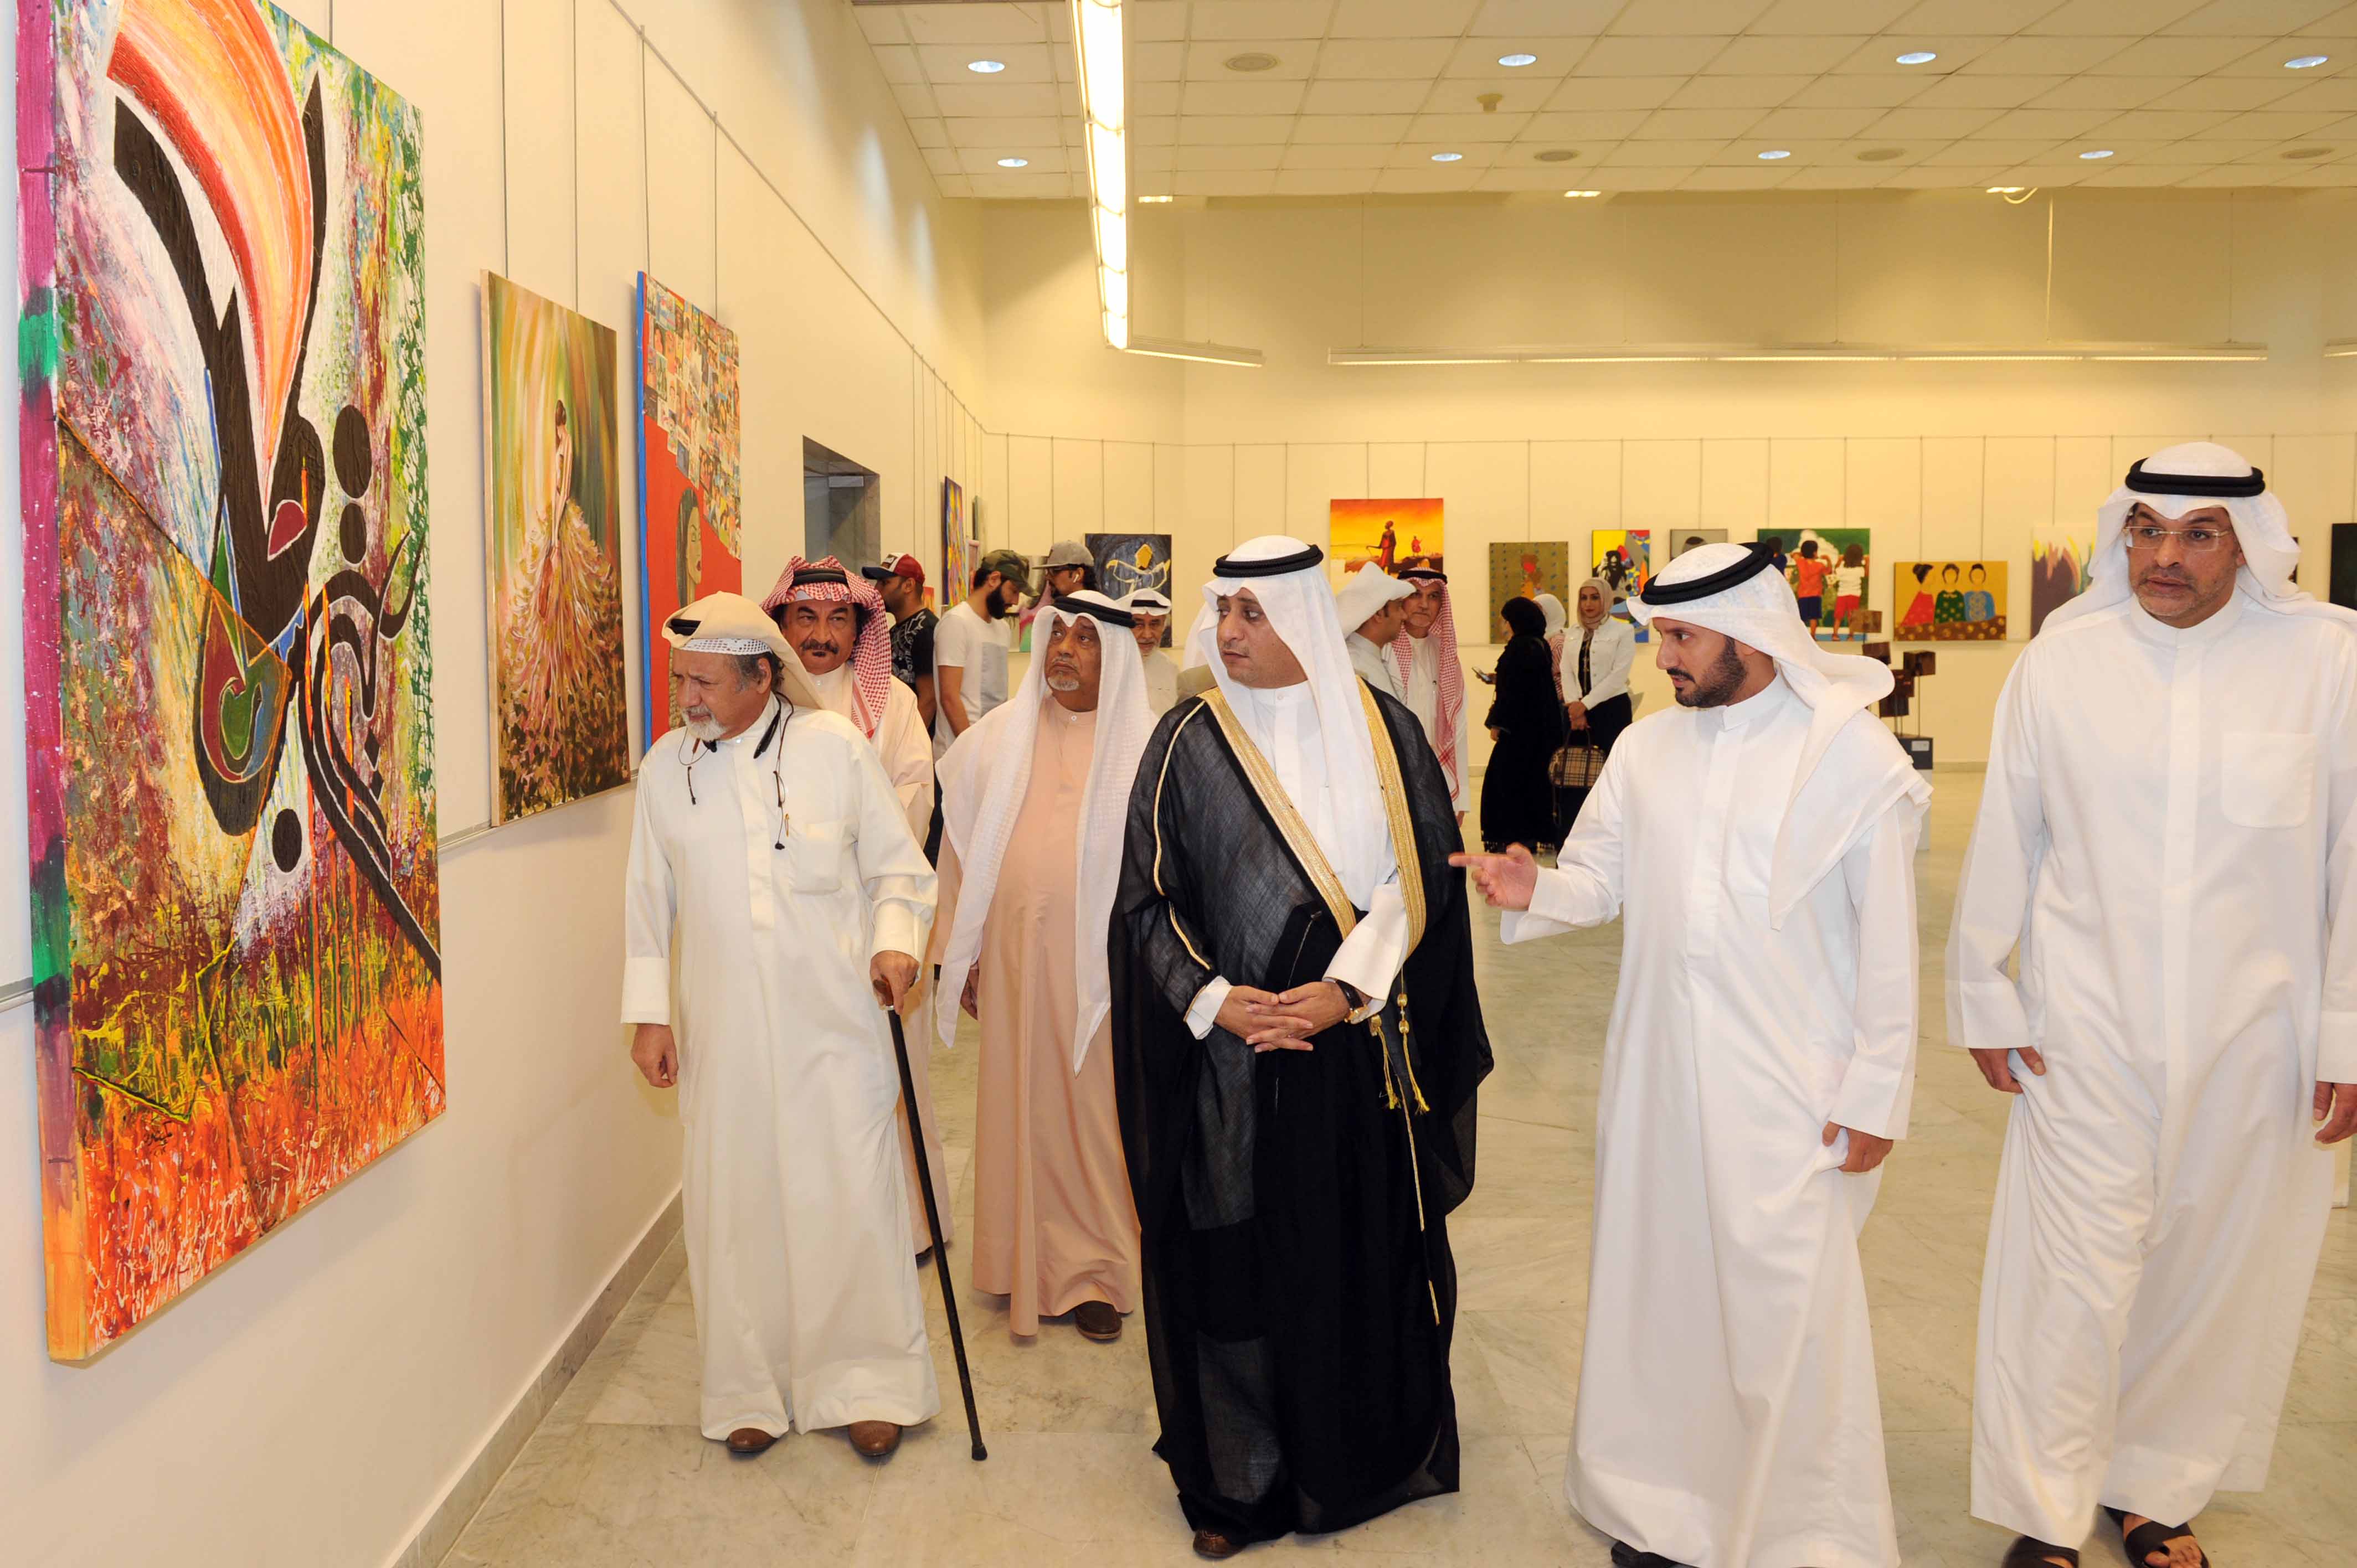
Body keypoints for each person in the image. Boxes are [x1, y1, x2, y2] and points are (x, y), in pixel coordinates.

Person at [1455, 540, 1930, 1568]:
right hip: (1659, 1077)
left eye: (1680, 637)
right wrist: (1530, 887)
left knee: (1785, 1315)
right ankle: (1666, 1510)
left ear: (1751, 634)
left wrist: (1877, 1091)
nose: (1661, 656)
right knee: (1663, 1294)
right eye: (1657, 634)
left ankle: (1805, 1536)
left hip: (1793, 1089)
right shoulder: (1650, 751)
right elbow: (1597, 878)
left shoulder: (1850, 758)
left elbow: (1890, 944)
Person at [1947, 443, 2357, 1568]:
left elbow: (2354, 865)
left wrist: (2346, 1034)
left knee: (2211, 1266)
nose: (2163, 558)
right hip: (2085, 1026)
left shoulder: (2326, 664)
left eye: (2195, 535)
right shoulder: (2062, 661)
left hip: (2256, 1036)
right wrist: (1985, 988)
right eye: (2145, 531)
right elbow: (2008, 837)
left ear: (2248, 543)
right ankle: (2044, 1507)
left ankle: (2153, 1489)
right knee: (2068, 1274)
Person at [1111, 536, 1491, 1560]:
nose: (1228, 634)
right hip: (1229, 1058)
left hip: (1351, 1049)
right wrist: (1219, 1001)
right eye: (1222, 613)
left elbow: (1420, 881)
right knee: (1234, 1256)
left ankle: (1356, 1454)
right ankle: (1239, 1481)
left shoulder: (1386, 731)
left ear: (1301, 620)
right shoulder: (1186, 737)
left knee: (1352, 1247)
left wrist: (1345, 990)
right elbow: (1146, 901)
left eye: (1252, 615)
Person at [621, 592, 939, 1461]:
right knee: (738, 1201)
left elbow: (897, 871)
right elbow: (648, 900)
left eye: (706, 681)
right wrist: (650, 1015)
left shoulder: (834, 750)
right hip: (722, 1031)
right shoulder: (666, 770)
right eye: (681, 679)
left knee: (850, 1195)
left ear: (763, 678)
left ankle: (868, 1384)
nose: (687, 697)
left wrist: (897, 947)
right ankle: (749, 1388)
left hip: (835, 1024)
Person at [932, 591, 1149, 1343]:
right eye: (1057, 635)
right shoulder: (998, 737)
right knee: (1017, 1104)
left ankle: (1093, 1269)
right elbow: (957, 847)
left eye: (1086, 639)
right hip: (1015, 965)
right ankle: (1014, 1259)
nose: (1064, 650)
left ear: (1115, 657)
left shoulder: (1147, 749)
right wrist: (956, 952)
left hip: (1108, 974)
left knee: (1094, 1120)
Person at [764, 556, 948, 1257]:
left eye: (837, 619)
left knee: (888, 1076)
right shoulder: (762, 700)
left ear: (859, 629)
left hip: (879, 923)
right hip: (789, 931)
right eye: (804, 618)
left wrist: (841, 855)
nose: (820, 634)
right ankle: (814, 1235)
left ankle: (904, 1227)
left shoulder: (892, 704)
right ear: (781, 622)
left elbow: (913, 796)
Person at [1481, 596, 1566, 853]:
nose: (1502, 623)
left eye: (1505, 618)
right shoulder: (1539, 644)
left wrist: (1498, 724)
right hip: (1538, 732)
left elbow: (1512, 694)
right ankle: (1529, 836)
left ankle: (1512, 838)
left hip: (1517, 734)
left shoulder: (1519, 648)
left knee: (1506, 785)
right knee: (1532, 784)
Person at [1387, 561, 1469, 821]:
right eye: (1415, 595)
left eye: (1433, 597)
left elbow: (1459, 728)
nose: (1424, 604)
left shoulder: (1444, 654)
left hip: (1434, 772)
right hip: (1393, 771)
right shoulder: (1383, 650)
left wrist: (1461, 798)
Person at [934, 548, 1028, 757]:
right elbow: (950, 698)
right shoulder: (957, 622)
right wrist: (973, 752)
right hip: (958, 757)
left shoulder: (1002, 627)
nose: (1015, 601)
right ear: (994, 580)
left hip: (993, 752)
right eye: (1013, 590)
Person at [1558, 578, 1635, 830]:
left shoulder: (1622, 631)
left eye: (1595, 597)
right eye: (1584, 598)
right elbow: (1565, 671)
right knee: (1575, 775)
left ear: (1606, 600)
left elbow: (1618, 675)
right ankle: (1571, 835)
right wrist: (1574, 706)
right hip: (1574, 713)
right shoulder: (1572, 633)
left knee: (1608, 776)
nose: (1589, 604)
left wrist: (1586, 705)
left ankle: (1610, 833)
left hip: (1611, 710)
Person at [862, 553, 938, 729]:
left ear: (909, 585)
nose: (877, 590)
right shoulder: (895, 630)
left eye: (885, 583)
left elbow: (929, 698)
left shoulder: (925, 629)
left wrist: (911, 742)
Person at [1336, 563, 1414, 700]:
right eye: (1399, 607)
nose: (1404, 616)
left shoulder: (1368, 659)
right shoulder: (1354, 666)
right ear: (1379, 614)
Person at [1124, 587, 1180, 715]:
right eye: (1138, 625)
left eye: (1155, 624)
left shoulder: (1171, 669)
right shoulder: (1106, 666)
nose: (1148, 635)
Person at [1791, 538, 1832, 633]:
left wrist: (1804, 554)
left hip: (1803, 594)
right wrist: (1828, 560)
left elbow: (1793, 555)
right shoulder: (1820, 565)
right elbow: (1828, 571)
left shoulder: (1800, 562)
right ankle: (1813, 636)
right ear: (1815, 553)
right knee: (1814, 617)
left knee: (1802, 617)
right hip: (1815, 594)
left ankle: (1802, 636)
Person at [1831, 542, 1868, 641]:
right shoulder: (1860, 569)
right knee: (1852, 617)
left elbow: (1835, 572)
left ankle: (1835, 635)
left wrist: (1839, 560)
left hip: (1842, 594)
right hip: (1855, 594)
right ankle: (1851, 636)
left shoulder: (1842, 567)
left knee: (1838, 616)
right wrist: (1867, 561)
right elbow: (1866, 573)